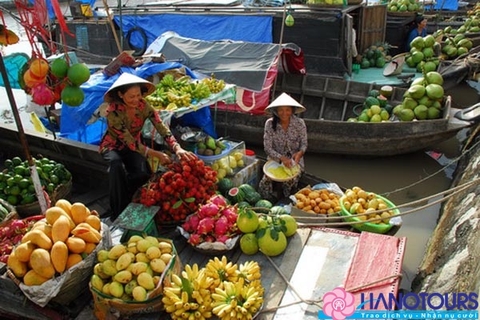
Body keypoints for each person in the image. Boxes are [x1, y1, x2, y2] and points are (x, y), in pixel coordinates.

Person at [99, 73, 196, 220]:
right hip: (113, 146)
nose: (136, 99)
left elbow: (160, 126)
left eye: (138, 95)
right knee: (116, 165)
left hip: (136, 147)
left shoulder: (143, 105)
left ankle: (133, 202)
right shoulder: (113, 113)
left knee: (142, 173)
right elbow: (129, 142)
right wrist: (156, 154)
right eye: (131, 96)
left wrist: (177, 147)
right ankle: (117, 211)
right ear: (120, 95)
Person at [258, 92, 308, 202]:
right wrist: (281, 158)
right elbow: (267, 148)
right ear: (276, 111)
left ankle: (285, 200)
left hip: (294, 160)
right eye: (281, 110)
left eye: (287, 110)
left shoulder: (299, 123)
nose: (284, 113)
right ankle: (265, 200)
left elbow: (304, 144)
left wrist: (299, 153)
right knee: (265, 181)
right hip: (275, 159)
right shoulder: (270, 124)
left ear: (292, 111)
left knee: (291, 181)